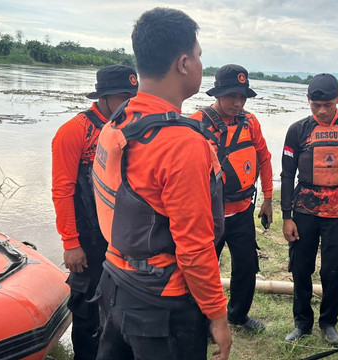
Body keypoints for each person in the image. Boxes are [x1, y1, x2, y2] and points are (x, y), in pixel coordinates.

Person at [91, 7, 231, 360]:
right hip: (162, 306)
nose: (201, 65)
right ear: (183, 63)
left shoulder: (117, 122)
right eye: (199, 56)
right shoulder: (183, 143)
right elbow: (195, 247)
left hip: (113, 286)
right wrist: (217, 315)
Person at [51, 64, 138, 360]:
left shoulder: (130, 128)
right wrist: (70, 243)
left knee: (119, 309)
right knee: (87, 311)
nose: (129, 103)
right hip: (87, 239)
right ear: (104, 97)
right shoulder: (73, 132)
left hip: (121, 238)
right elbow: (62, 192)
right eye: (123, 96)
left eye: (133, 96)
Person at [280, 73, 338, 345]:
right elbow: (286, 175)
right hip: (304, 212)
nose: (321, 111)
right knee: (301, 268)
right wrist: (286, 216)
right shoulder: (298, 130)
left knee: (333, 270)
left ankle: (329, 322)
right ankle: (302, 322)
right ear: (308, 101)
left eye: (327, 105)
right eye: (315, 105)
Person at [189, 64, 273, 332]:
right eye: (232, 97)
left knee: (247, 267)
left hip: (243, 211)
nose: (238, 103)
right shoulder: (195, 123)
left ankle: (238, 315)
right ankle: (201, 320)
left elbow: (264, 158)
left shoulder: (250, 122)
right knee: (203, 269)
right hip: (208, 215)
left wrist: (268, 198)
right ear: (217, 94)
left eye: (242, 97)